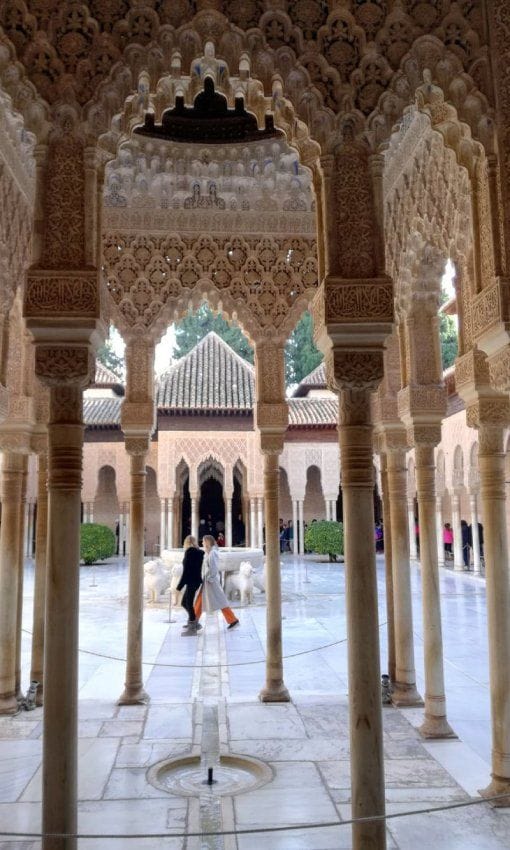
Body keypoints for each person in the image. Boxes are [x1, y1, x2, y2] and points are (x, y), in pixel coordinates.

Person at [194, 535, 239, 629]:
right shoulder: (209, 552)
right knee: (201, 599)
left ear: (207, 542)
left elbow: (214, 568)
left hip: (211, 582)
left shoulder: (212, 553)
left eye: (203, 541)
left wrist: (210, 578)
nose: (202, 543)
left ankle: (233, 619)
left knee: (219, 601)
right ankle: (194, 620)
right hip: (207, 582)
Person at [177, 535, 204, 636]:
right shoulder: (199, 552)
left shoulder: (189, 553)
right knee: (185, 602)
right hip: (195, 581)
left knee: (187, 603)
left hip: (191, 581)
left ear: (186, 543)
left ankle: (193, 628)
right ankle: (193, 622)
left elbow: (186, 571)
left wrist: (179, 587)